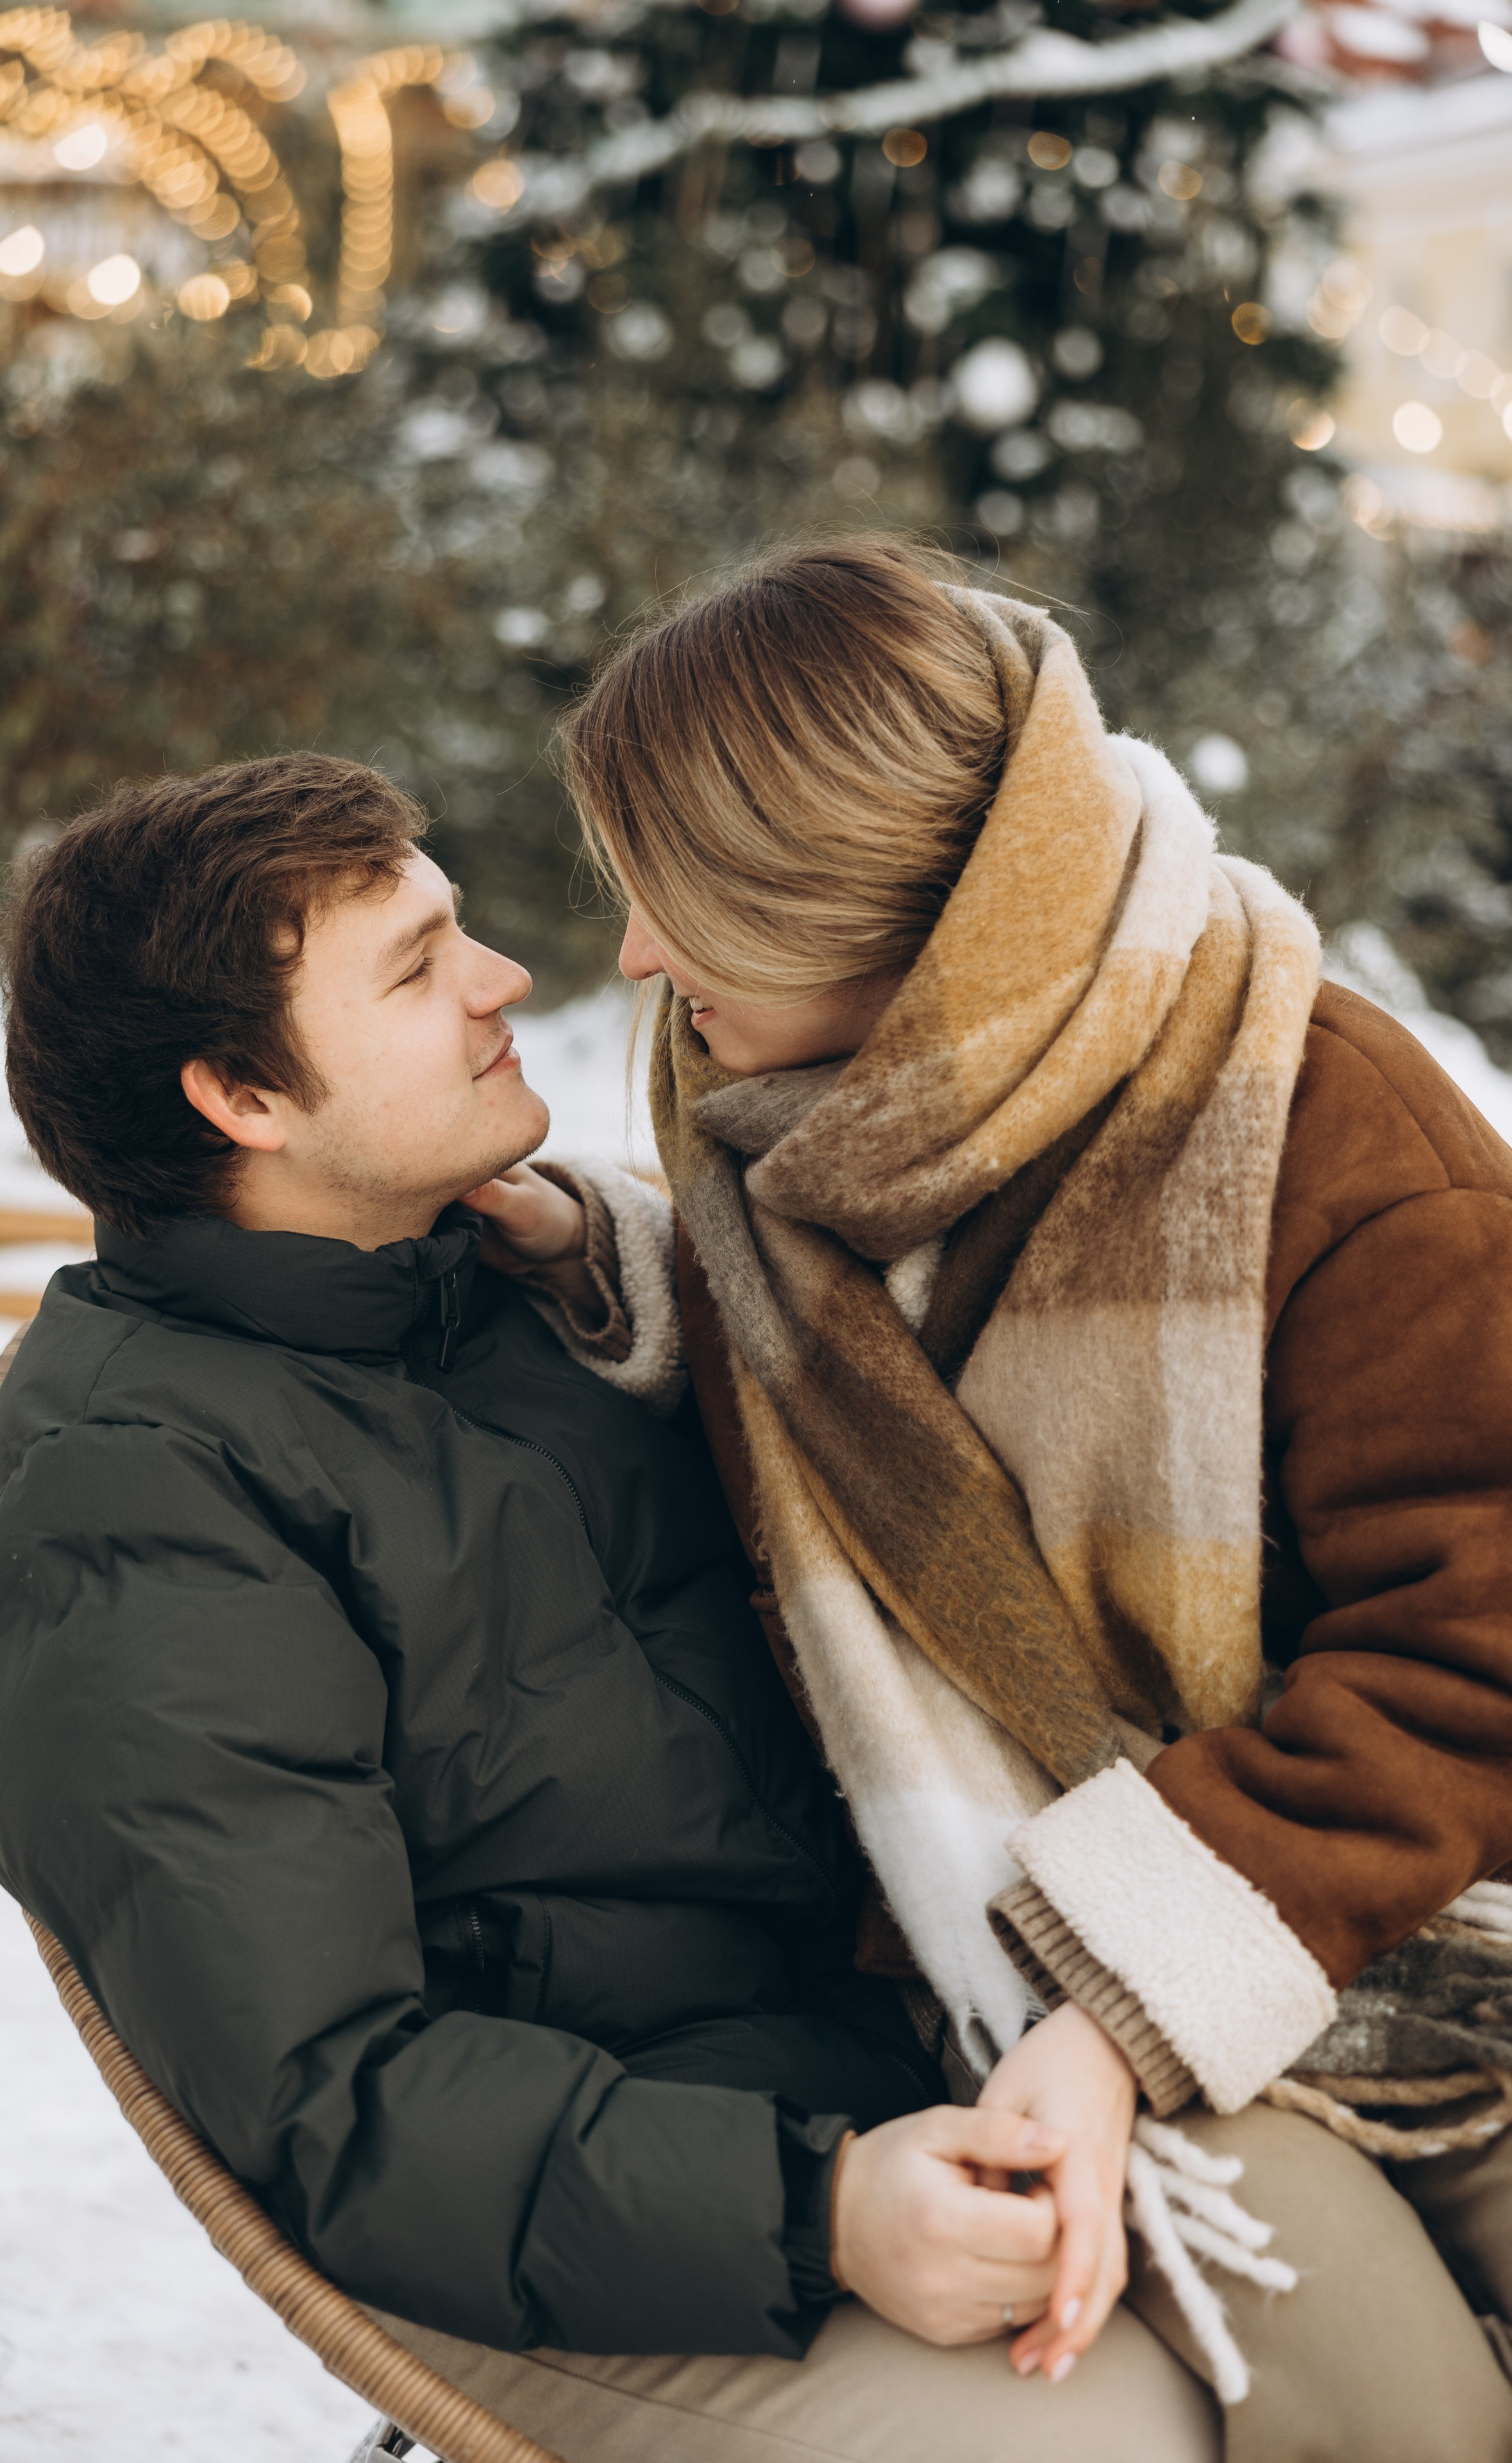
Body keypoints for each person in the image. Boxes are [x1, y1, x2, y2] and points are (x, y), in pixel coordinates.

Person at [0, 752, 1222, 2463]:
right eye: (417, 964)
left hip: (902, 2056)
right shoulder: (126, 1503)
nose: (506, 978)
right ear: (244, 1095)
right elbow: (334, 2095)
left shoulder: (518, 1300)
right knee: (1123, 2442)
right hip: (592, 2216)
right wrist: (816, 2213)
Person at [558, 536, 1512, 2462]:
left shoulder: (1327, 1135)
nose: (634, 962)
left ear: (863, 912)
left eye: (674, 905)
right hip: (998, 1950)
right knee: (1401, 2419)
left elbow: (1476, 1654)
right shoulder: (779, 1146)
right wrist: (609, 1270)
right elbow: (883, 1440)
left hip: (1391, 1921)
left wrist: (1123, 2002)